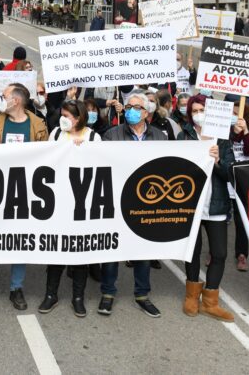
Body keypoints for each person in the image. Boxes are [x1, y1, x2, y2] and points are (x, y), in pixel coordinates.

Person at [0, 83, 48, 313]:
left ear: (16, 101)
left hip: (24, 191)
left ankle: (17, 287)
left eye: (4, 96)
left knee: (19, 241)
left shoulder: (37, 125)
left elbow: (47, 157)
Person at [97, 91, 168, 317]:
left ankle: (142, 295)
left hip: (146, 201)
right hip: (117, 199)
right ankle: (107, 293)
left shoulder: (160, 137)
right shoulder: (112, 135)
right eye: (128, 107)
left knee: (142, 250)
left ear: (146, 113)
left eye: (136, 108)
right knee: (112, 249)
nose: (130, 111)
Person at [37, 100, 102, 317]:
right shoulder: (56, 133)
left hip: (82, 202)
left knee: (80, 252)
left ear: (79, 117)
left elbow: (101, 165)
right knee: (57, 250)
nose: (63, 118)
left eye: (68, 115)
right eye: (62, 114)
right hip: (58, 200)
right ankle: (50, 294)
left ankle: (78, 297)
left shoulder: (93, 137)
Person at [176, 94, 234, 323]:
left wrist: (219, 161)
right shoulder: (184, 136)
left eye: (203, 109)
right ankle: (191, 296)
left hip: (217, 204)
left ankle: (211, 300)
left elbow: (231, 173)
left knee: (219, 253)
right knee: (193, 249)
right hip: (192, 203)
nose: (199, 114)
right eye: (195, 110)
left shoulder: (223, 140)